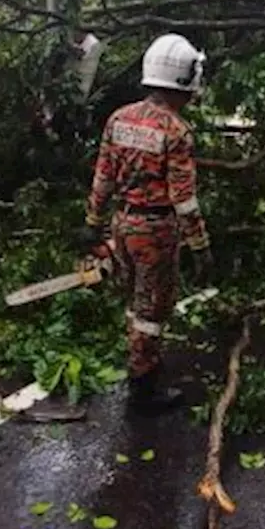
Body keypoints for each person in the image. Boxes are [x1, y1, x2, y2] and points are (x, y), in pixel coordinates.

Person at [77, 33, 214, 412]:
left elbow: (102, 179)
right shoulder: (176, 131)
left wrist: (93, 222)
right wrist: (200, 247)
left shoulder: (118, 119)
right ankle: (143, 388)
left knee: (134, 302)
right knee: (152, 311)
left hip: (122, 225)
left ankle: (142, 361)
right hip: (155, 232)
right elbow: (184, 200)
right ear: (183, 78)